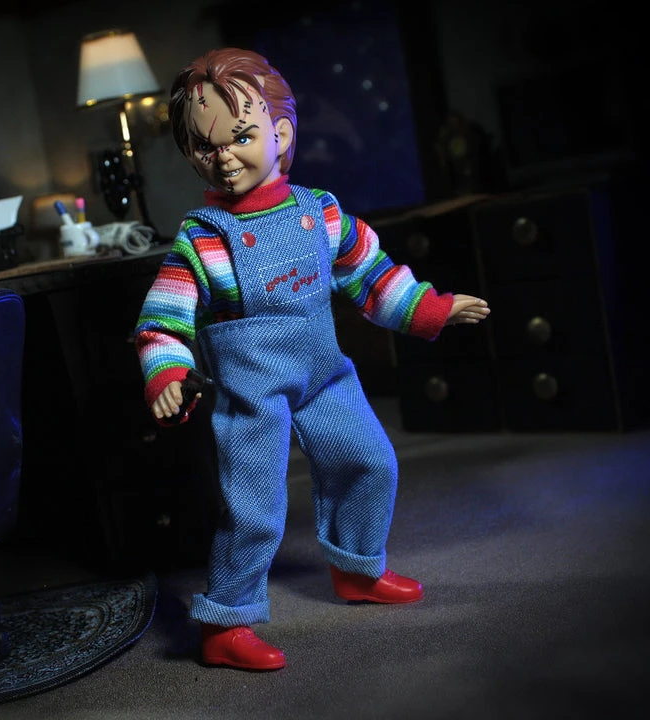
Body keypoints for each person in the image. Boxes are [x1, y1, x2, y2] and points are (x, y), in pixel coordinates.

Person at [133, 48, 490, 672]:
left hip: (325, 373)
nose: (224, 156)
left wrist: (430, 308)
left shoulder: (319, 212)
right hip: (252, 391)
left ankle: (358, 567)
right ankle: (226, 623)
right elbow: (164, 317)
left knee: (370, 461)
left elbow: (373, 277)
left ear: (281, 133)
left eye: (241, 137)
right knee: (254, 508)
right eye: (205, 146)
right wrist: (166, 371)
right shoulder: (202, 237)